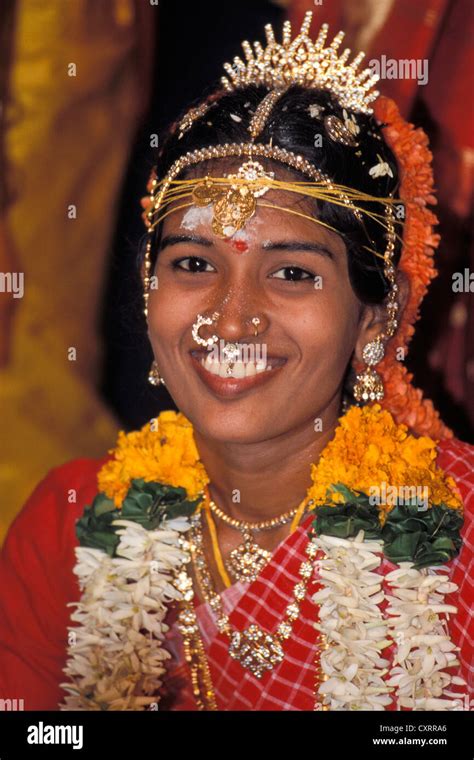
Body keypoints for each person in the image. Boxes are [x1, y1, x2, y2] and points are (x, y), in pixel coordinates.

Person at [0, 12, 473, 712]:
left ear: (377, 316)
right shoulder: (72, 524)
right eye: (194, 264)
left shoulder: (452, 538)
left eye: (292, 274)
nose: (230, 315)